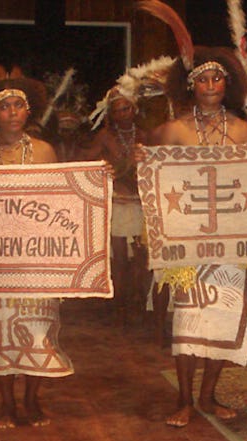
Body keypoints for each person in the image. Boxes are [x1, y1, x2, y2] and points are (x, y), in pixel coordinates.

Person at [141, 44, 247, 427]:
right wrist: (140, 161)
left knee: (223, 320)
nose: (210, 84)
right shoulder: (174, 130)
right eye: (202, 79)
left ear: (228, 85)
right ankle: (184, 399)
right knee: (189, 321)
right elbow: (150, 176)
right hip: (187, 243)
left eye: (216, 78)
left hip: (230, 242)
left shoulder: (243, 130)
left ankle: (208, 396)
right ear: (191, 87)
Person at [0, 76, 74, 428]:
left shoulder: (44, 151)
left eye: (18, 105)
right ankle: (7, 405)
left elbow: (63, 201)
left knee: (39, 330)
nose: (12, 112)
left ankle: (32, 399)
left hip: (37, 256)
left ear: (29, 111)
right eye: (4, 106)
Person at [80, 86, 150, 320]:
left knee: (142, 256)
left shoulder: (144, 135)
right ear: (111, 114)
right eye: (117, 111)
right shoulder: (105, 137)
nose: (122, 114)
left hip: (142, 202)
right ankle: (119, 303)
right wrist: (107, 167)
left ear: (134, 109)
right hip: (118, 202)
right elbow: (89, 162)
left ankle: (139, 299)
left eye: (126, 109)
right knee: (119, 258)